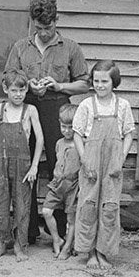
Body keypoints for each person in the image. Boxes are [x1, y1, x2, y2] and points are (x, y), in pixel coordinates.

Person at [4, 0, 90, 243]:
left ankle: (62, 231)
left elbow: (85, 82)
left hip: (57, 111)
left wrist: (59, 84)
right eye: (38, 28)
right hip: (26, 109)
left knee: (60, 167)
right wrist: (25, 84)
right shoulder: (21, 47)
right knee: (24, 166)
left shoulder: (70, 47)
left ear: (56, 21)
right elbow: (8, 76)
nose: (43, 33)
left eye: (48, 28)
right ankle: (27, 230)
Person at [72, 60, 136, 271]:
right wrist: (85, 160)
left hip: (113, 163)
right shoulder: (87, 106)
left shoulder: (123, 105)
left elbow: (128, 135)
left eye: (104, 81)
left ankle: (103, 251)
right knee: (89, 204)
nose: (100, 85)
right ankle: (89, 251)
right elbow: (78, 135)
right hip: (91, 160)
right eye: (96, 81)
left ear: (114, 81)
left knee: (109, 206)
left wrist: (121, 159)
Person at [0, 72, 43, 262]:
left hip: (23, 165)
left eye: (21, 90)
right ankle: (2, 243)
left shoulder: (30, 110)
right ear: (5, 89)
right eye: (13, 90)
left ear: (26, 89)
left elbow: (40, 139)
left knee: (22, 206)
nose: (18, 94)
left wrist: (34, 166)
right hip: (1, 162)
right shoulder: (0, 109)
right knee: (0, 204)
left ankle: (19, 245)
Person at [40, 103, 81, 259]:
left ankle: (68, 247)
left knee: (71, 218)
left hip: (73, 185)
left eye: (70, 127)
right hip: (57, 184)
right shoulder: (59, 143)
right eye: (63, 126)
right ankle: (57, 239)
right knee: (46, 211)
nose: (66, 130)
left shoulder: (80, 144)